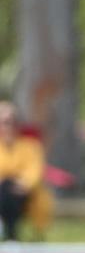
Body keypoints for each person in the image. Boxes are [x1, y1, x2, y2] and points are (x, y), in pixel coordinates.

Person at [0, 101, 46, 241]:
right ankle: (11, 235)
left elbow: (34, 170)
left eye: (11, 122)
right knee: (6, 189)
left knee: (10, 191)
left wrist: (24, 184)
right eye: (4, 122)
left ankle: (9, 232)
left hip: (22, 192)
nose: (7, 127)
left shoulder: (30, 146)